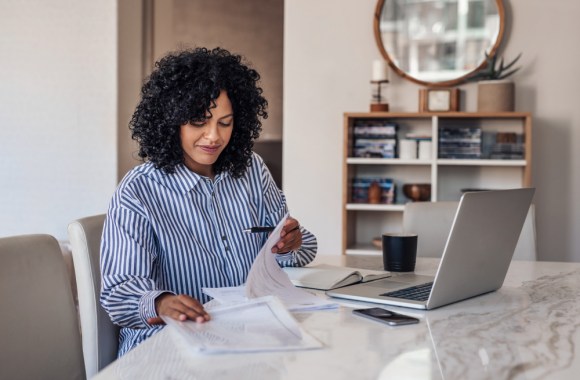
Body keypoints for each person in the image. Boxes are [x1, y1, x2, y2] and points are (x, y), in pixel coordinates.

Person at [100, 47, 317, 356]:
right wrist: (161, 303)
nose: (213, 136)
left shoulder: (253, 170)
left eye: (225, 123)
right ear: (171, 121)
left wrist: (292, 243)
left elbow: (291, 255)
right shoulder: (139, 190)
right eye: (199, 122)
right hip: (168, 349)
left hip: (250, 339)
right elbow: (119, 293)